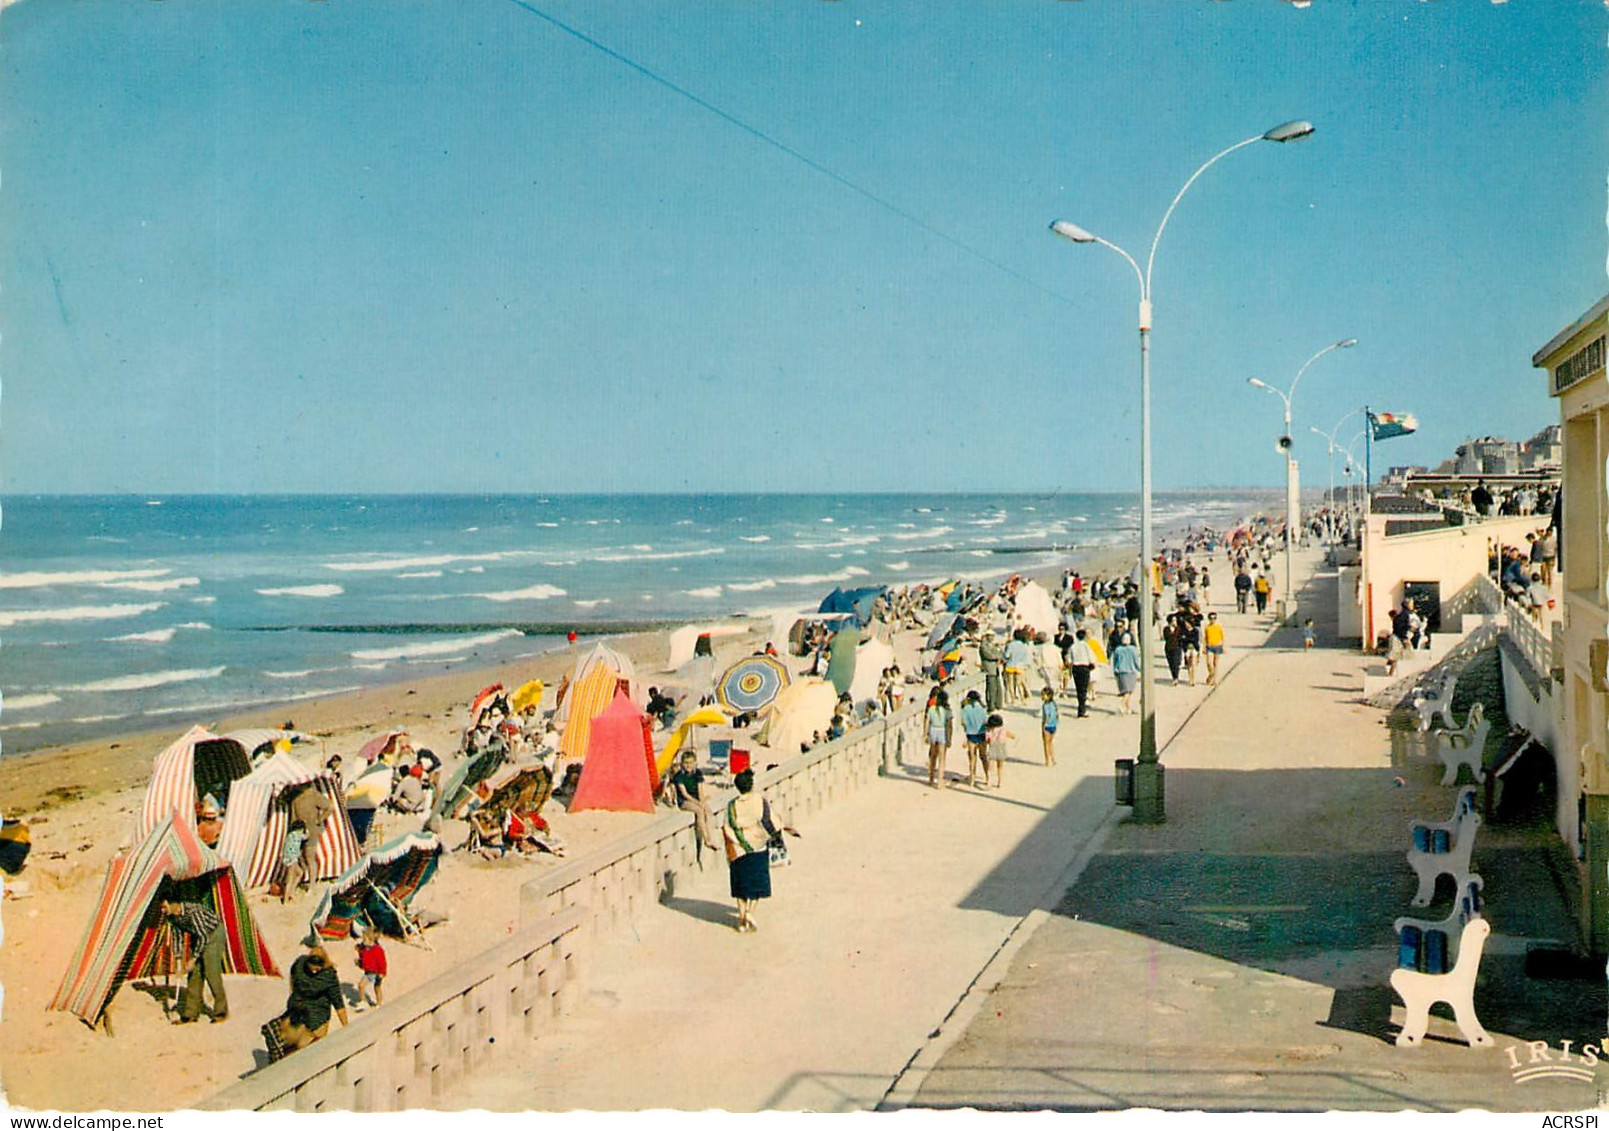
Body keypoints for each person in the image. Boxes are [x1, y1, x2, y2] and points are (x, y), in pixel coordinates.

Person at [265, 946, 349, 1060]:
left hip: (317, 1017)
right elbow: (293, 981)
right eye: (312, 966)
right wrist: (294, 998)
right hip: (298, 1010)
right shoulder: (299, 966)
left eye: (318, 967)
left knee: (305, 1053)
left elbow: (338, 1003)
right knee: (275, 1035)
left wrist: (346, 1028)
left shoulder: (329, 977)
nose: (314, 970)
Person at [722, 769, 778, 934]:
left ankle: (741, 922)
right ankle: (749, 913)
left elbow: (727, 827)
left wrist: (737, 842)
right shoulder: (759, 800)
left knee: (741, 888)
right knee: (756, 886)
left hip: (739, 849)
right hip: (757, 846)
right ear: (751, 785)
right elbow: (769, 820)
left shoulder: (731, 805)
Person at [160, 898, 227, 1023]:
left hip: (212, 935)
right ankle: (191, 1013)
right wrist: (179, 962)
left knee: (211, 972)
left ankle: (221, 1011)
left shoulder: (193, 912)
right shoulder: (172, 917)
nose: (163, 911)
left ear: (173, 903)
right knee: (194, 975)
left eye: (165, 907)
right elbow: (177, 937)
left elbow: (204, 936)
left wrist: (193, 958)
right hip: (198, 936)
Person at [671, 750, 721, 853]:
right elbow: (684, 794)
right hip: (684, 801)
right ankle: (706, 839)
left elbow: (700, 791)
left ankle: (710, 836)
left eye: (690, 763)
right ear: (682, 764)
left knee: (708, 811)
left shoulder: (697, 773)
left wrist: (702, 802)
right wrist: (698, 803)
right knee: (699, 811)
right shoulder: (679, 776)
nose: (688, 765)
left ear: (695, 763)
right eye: (686, 763)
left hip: (695, 798)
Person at [925, 688, 953, 789]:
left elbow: (927, 722)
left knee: (933, 756)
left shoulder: (932, 709)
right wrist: (949, 738)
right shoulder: (947, 711)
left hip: (933, 730)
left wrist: (925, 734)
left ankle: (931, 778)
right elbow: (949, 726)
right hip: (942, 731)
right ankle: (940, 781)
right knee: (942, 758)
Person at [960, 689, 988, 789]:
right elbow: (985, 721)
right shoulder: (982, 708)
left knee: (972, 758)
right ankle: (987, 777)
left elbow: (963, 722)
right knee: (983, 757)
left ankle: (972, 778)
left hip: (971, 734)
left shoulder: (966, 709)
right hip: (981, 734)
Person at [355, 926, 387, 1010]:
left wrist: (382, 973)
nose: (363, 941)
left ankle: (378, 1003)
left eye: (364, 939)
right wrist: (359, 963)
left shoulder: (377, 950)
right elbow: (363, 960)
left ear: (371, 940)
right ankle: (364, 1001)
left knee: (375, 988)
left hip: (375, 972)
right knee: (365, 986)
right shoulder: (364, 949)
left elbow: (382, 962)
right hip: (368, 972)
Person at [1068, 629, 1097, 719]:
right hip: (1084, 667)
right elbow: (1091, 658)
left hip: (1076, 667)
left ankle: (1081, 708)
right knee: (1084, 689)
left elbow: (1069, 659)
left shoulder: (1073, 646)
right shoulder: (1086, 646)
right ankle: (1082, 709)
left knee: (1078, 689)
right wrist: (1093, 664)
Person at [1110, 632, 1141, 714]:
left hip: (1120, 672)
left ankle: (1128, 708)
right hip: (1131, 672)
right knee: (1129, 691)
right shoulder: (1133, 650)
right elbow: (1136, 661)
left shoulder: (1117, 649)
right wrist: (1140, 670)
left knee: (1126, 691)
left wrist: (1115, 671)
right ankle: (1121, 705)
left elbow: (1115, 662)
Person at [984, 712, 1013, 789]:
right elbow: (1009, 735)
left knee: (991, 766)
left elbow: (987, 740)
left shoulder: (989, 731)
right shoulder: (1003, 729)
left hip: (992, 747)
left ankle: (989, 781)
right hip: (1001, 747)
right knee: (1000, 766)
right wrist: (1014, 737)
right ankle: (1000, 782)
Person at [1203, 612, 1226, 684]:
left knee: (1215, 663)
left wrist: (1223, 646)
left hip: (1217, 645)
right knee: (1209, 663)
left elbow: (1222, 637)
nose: (1212, 620)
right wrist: (1204, 647)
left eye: (1214, 618)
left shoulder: (1218, 627)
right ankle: (1211, 674)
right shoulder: (1207, 627)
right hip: (1209, 646)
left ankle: (1214, 680)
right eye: (1211, 618)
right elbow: (1205, 638)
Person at [1039, 687, 1058, 768]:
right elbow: (1056, 714)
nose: (1042, 697)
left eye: (1043, 695)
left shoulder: (1045, 705)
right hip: (1054, 725)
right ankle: (1053, 759)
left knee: (1046, 744)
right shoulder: (1054, 703)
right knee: (1050, 743)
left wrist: (1043, 725)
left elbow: (1047, 716)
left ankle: (1047, 761)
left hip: (1047, 726)